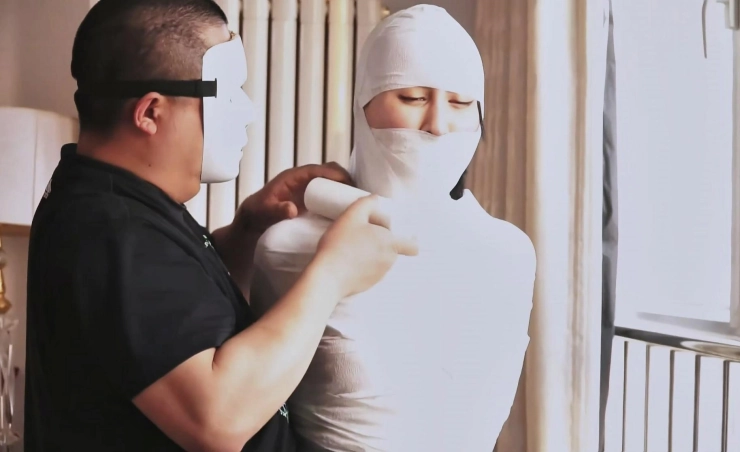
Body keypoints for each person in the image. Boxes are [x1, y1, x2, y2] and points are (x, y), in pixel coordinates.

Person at [23, 1, 415, 451]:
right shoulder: (112, 231)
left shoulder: (114, 200)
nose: (246, 111)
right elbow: (217, 419)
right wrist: (332, 274)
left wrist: (246, 231)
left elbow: (163, 315)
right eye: (228, 93)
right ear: (150, 113)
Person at [251, 5, 537, 451]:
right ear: (362, 104)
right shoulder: (288, 247)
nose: (438, 126)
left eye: (460, 103)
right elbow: (249, 405)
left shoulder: (510, 253)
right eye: (413, 98)